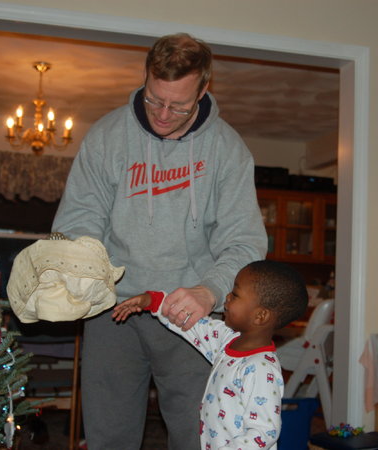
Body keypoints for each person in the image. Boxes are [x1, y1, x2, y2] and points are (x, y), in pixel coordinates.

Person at [52, 32, 267, 449]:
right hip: (113, 312)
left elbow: (244, 242)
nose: (163, 114)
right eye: (154, 99)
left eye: (178, 105)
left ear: (203, 89)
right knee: (108, 438)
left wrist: (210, 290)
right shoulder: (108, 136)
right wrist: (81, 274)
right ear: (145, 78)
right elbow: (79, 221)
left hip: (192, 316)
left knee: (196, 437)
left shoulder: (228, 150)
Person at [112, 260, 309, 450]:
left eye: (235, 294)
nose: (227, 298)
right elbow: (191, 323)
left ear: (260, 316)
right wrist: (154, 302)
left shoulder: (261, 369)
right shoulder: (227, 340)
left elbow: (264, 432)